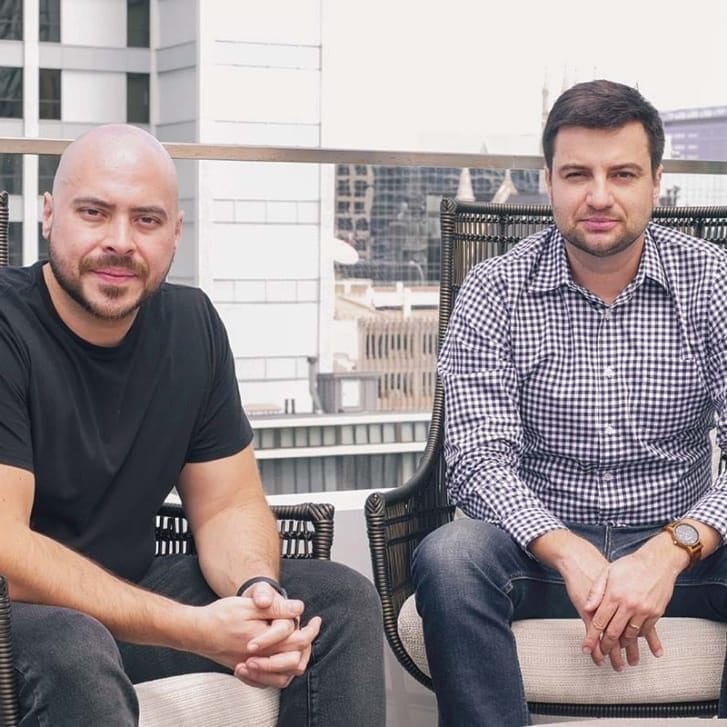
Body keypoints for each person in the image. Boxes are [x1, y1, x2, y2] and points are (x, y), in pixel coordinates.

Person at [0, 124, 385, 726]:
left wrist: (257, 592)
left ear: (176, 233)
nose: (120, 242)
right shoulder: (6, 326)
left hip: (124, 597)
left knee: (338, 602)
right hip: (17, 615)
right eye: (95, 213)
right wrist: (193, 630)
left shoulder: (192, 325)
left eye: (147, 220)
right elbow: (7, 549)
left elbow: (229, 505)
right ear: (49, 215)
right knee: (77, 647)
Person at [412, 79, 727, 726]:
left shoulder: (713, 281)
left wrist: (667, 551)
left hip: (684, 547)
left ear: (656, 181)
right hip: (536, 553)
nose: (599, 196)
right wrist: (565, 548)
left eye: (622, 173)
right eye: (577, 173)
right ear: (547, 181)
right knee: (448, 557)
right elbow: (476, 463)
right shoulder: (494, 288)